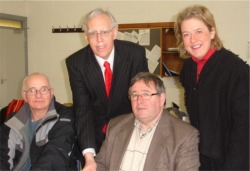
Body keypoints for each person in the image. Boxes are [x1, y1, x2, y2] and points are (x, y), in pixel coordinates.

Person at [66, 8, 148, 170]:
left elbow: (143, 98)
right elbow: (83, 110)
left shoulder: (135, 54)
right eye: (92, 33)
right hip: (94, 136)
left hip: (130, 130)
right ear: (86, 37)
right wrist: (89, 157)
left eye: (104, 31)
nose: (99, 39)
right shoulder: (76, 63)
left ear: (115, 32)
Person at [174, 5, 249, 170]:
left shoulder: (236, 71)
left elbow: (244, 128)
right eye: (186, 34)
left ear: (212, 32)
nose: (193, 40)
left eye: (198, 31)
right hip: (200, 156)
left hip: (229, 158)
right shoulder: (188, 68)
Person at [95, 72, 200, 171]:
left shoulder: (184, 136)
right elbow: (100, 165)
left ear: (162, 98)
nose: (139, 101)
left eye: (146, 94)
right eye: (134, 95)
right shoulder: (116, 126)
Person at [0, 73, 77, 170]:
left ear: (51, 92)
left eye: (44, 89)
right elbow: (2, 156)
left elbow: (55, 155)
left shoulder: (65, 116)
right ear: (24, 95)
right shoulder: (13, 121)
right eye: (32, 90)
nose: (38, 95)